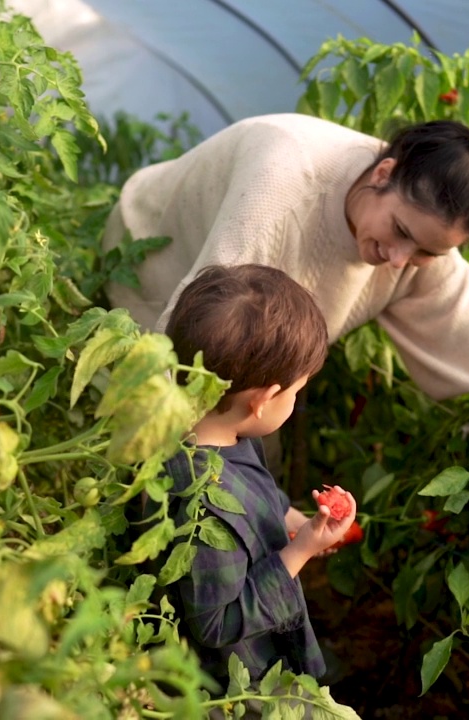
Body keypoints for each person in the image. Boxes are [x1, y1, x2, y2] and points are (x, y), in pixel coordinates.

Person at [104, 100, 469, 451]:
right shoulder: (282, 186)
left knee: (247, 442)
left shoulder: (421, 218)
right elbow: (193, 331)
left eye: (427, 253)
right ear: (383, 174)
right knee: (173, 426)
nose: (400, 259)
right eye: (401, 232)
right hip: (156, 260)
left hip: (233, 316)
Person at [160, 263, 358, 687]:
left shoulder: (222, 435)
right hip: (242, 688)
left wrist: (294, 521)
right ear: (264, 400)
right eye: (296, 391)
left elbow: (256, 488)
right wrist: (300, 550)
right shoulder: (203, 501)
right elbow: (216, 624)